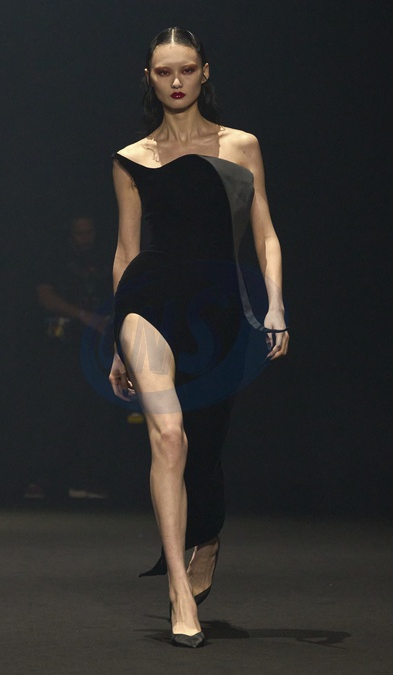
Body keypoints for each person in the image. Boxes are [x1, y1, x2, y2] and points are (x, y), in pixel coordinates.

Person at [109, 27, 289, 648]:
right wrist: (117, 340)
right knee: (169, 436)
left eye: (187, 69)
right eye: (164, 72)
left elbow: (264, 232)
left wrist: (275, 306)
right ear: (149, 78)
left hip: (217, 308)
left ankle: (206, 537)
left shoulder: (241, 146)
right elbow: (126, 250)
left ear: (205, 72)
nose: (177, 81)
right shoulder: (131, 157)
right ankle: (178, 591)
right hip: (149, 297)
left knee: (205, 448)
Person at [25, 215, 112, 500]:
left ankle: (86, 480)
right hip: (62, 349)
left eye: (90, 232)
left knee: (95, 414)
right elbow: (44, 296)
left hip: (98, 348)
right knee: (57, 414)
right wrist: (84, 316)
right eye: (79, 233)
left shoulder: (104, 256)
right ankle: (43, 481)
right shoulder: (55, 258)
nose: (85, 239)